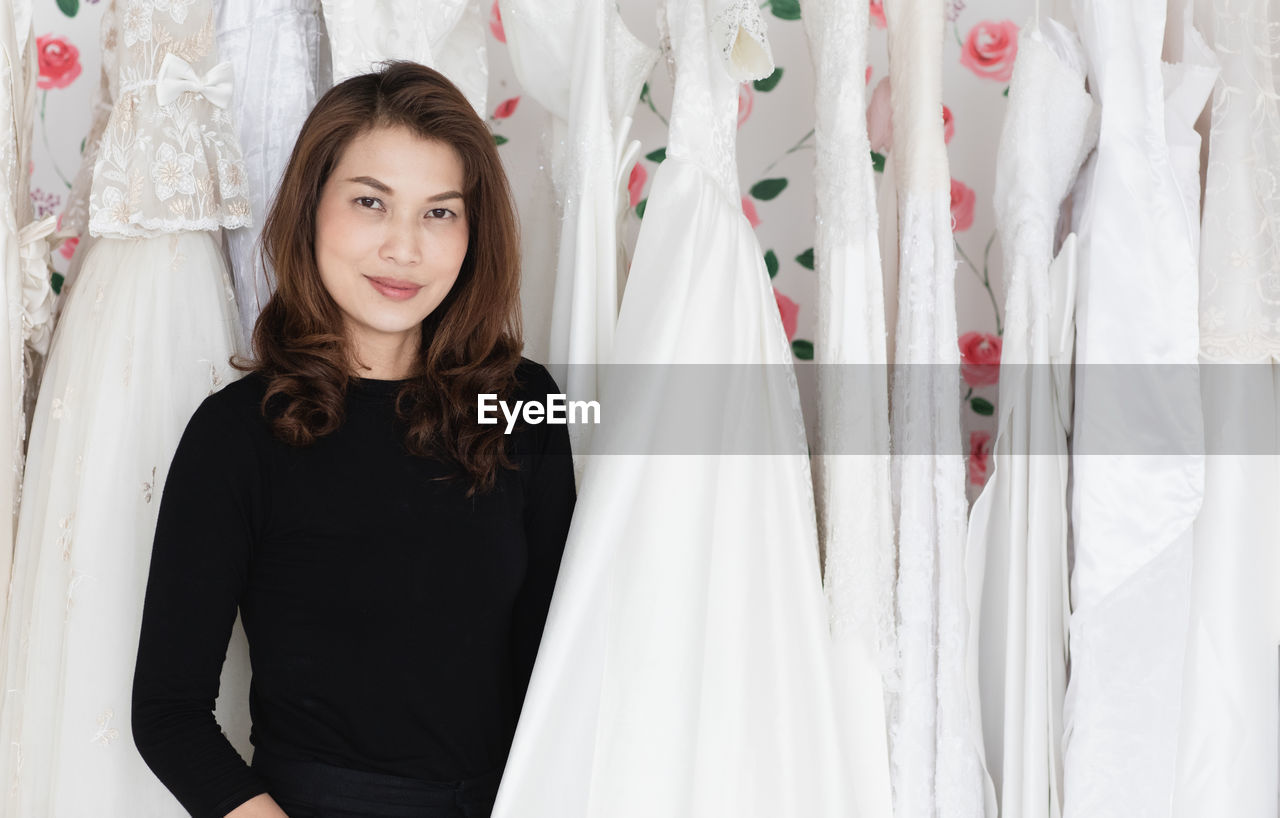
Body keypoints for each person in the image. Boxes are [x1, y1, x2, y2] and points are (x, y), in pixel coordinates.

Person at [130, 61, 576, 818]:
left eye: (440, 212)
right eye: (372, 202)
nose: (405, 249)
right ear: (310, 207)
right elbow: (169, 715)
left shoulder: (525, 403)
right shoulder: (237, 434)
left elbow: (557, 653)